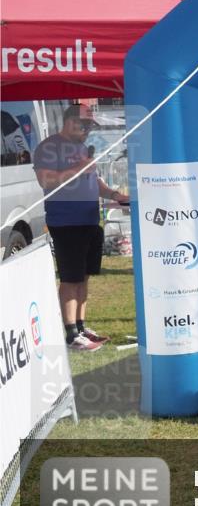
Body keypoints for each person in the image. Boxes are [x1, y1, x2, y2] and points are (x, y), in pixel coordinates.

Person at [33, 106, 129, 351]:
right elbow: (46, 180)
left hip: (89, 220)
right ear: (69, 122)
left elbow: (94, 181)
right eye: (84, 125)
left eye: (90, 126)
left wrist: (115, 194)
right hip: (66, 222)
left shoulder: (82, 149)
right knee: (70, 278)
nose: (88, 130)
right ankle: (70, 334)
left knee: (84, 277)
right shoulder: (49, 147)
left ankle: (81, 326)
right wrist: (79, 169)